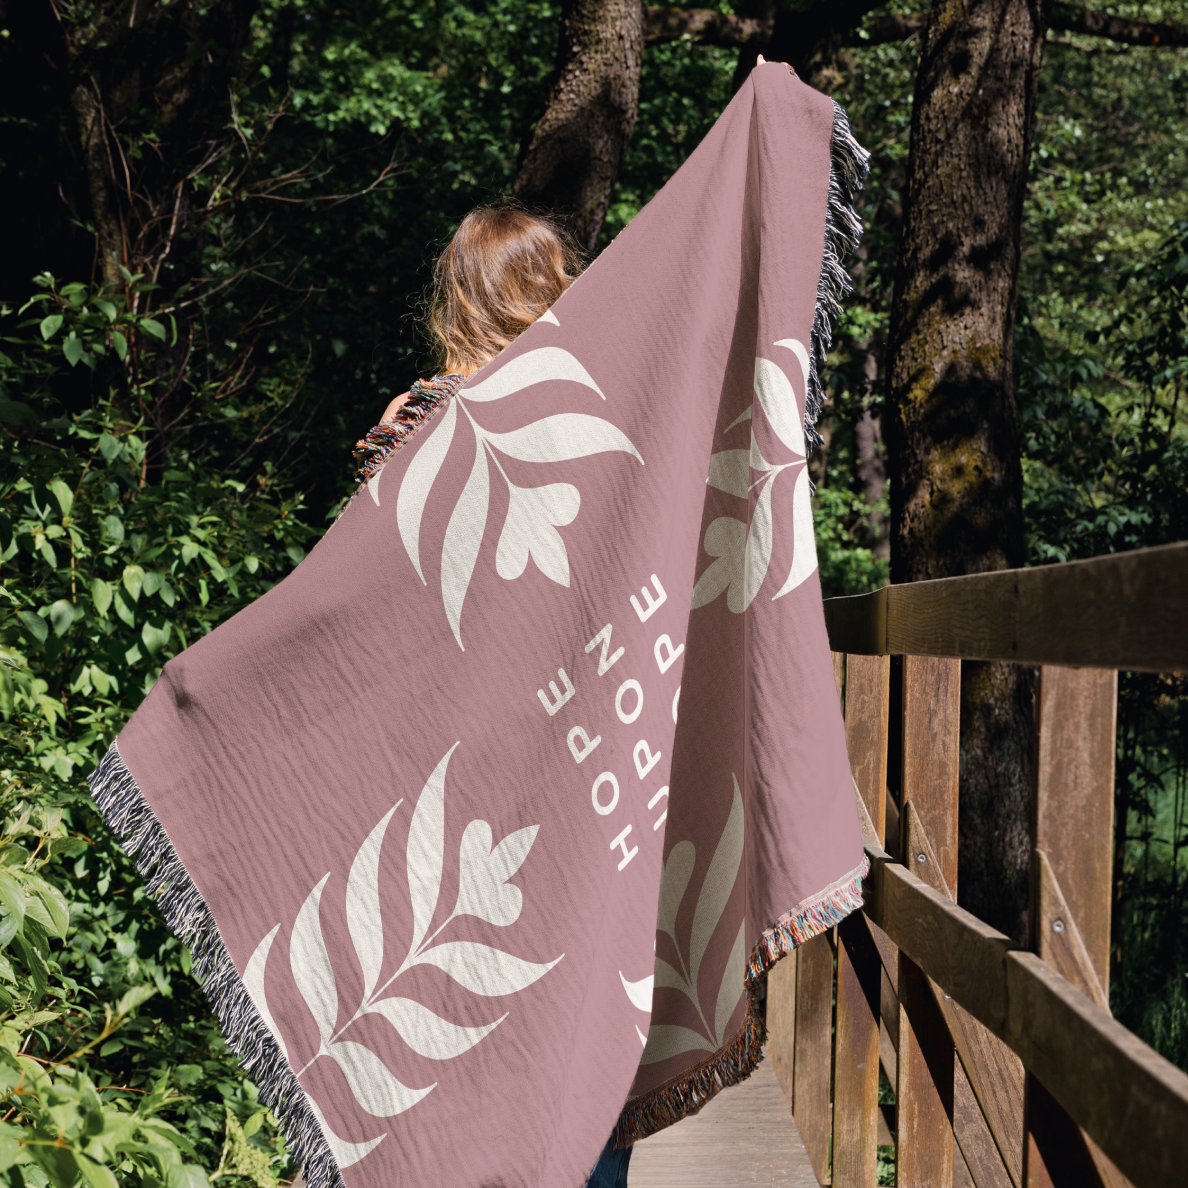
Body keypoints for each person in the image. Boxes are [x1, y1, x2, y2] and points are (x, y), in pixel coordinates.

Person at [366, 205, 633, 1188]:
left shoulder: (409, 421)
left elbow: (364, 600)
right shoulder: (587, 418)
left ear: (458, 296)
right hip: (574, 759)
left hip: (442, 769)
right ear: (545, 290)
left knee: (451, 1016)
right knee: (583, 1011)